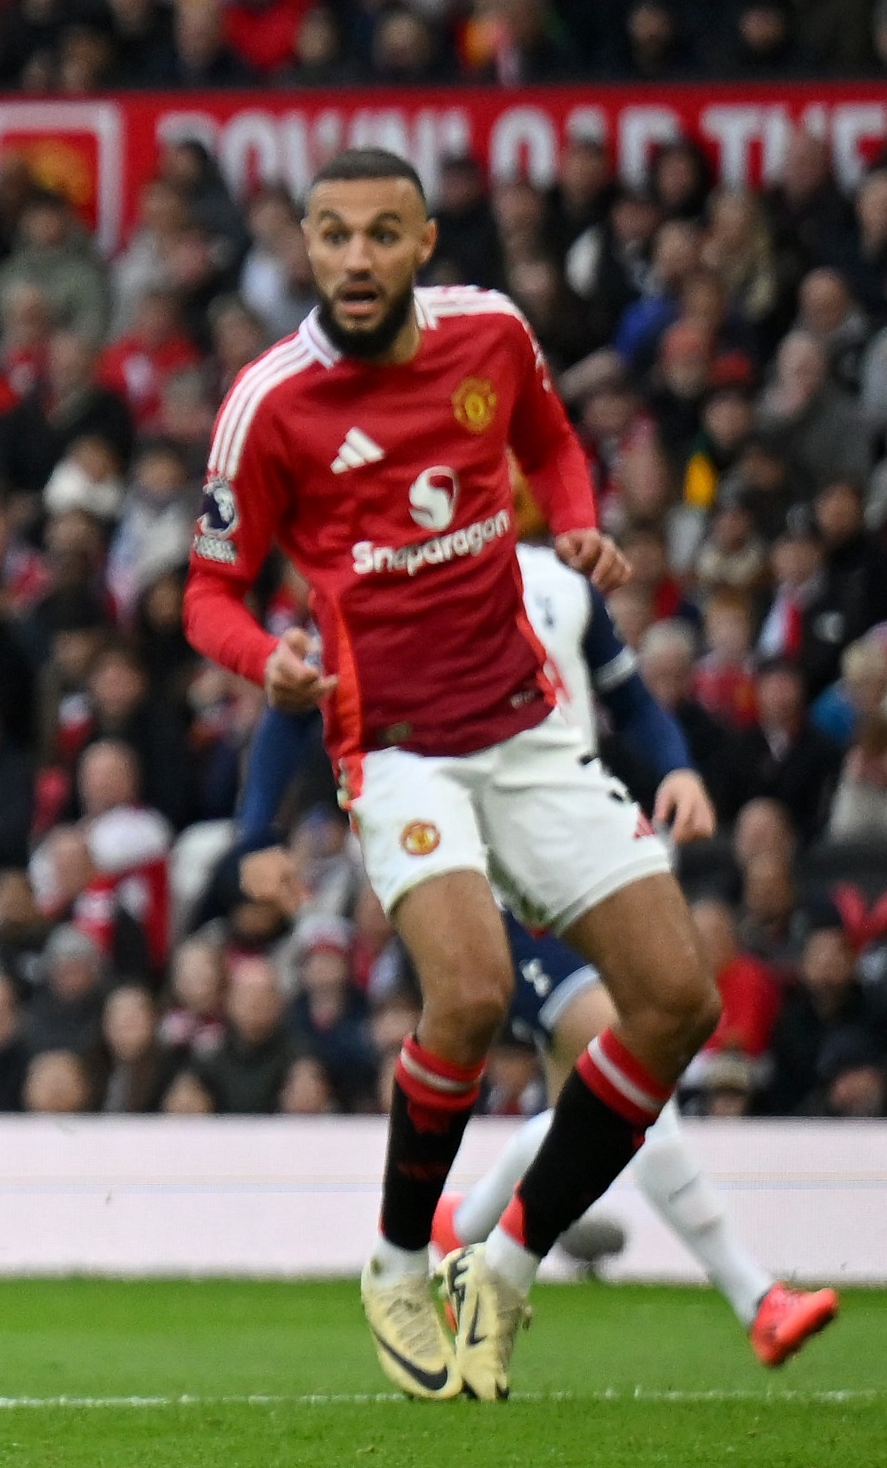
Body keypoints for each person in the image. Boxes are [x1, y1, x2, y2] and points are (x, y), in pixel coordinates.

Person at [187, 148, 722, 1401]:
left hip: (527, 727)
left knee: (677, 1002)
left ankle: (510, 1260)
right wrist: (265, 658)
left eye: (382, 234)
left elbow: (553, 445)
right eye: (332, 236)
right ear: (305, 248)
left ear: (423, 242)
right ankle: (391, 1260)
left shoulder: (489, 335)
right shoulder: (269, 405)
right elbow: (206, 592)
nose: (356, 258)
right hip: (397, 748)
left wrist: (576, 518)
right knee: (472, 995)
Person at [241, 534, 839, 1369]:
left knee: (615, 1087)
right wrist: (255, 831)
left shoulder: (564, 583)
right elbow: (304, 694)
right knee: (623, 1055)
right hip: (479, 878)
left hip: (580, 852)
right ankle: (751, 1297)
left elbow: (631, 702)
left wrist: (680, 769)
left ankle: (471, 1232)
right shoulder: (406, 576)